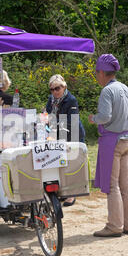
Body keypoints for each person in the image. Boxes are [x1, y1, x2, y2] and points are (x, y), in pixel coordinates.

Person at [88, 54, 128, 237]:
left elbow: (105, 116)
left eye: (97, 73)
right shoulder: (124, 88)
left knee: (112, 186)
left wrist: (94, 119)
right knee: (125, 184)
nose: (96, 76)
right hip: (127, 139)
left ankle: (114, 226)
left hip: (112, 141)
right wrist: (125, 120)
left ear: (103, 72)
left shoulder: (107, 91)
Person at [45, 74, 86, 207]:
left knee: (72, 164)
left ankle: (72, 195)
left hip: (73, 135)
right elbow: (47, 113)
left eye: (57, 88)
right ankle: (63, 191)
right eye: (52, 89)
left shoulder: (71, 100)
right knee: (60, 164)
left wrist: (52, 121)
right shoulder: (51, 99)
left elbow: (71, 122)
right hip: (57, 135)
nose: (55, 92)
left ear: (64, 87)